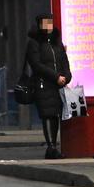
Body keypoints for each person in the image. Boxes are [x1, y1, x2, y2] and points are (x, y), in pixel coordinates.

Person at [26, 14, 72, 159]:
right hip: (43, 84)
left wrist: (66, 77)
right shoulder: (34, 42)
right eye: (45, 23)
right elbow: (37, 65)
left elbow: (64, 61)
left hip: (58, 85)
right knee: (47, 114)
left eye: (50, 23)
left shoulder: (57, 42)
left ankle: (52, 147)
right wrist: (56, 76)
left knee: (55, 114)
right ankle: (51, 146)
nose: (48, 26)